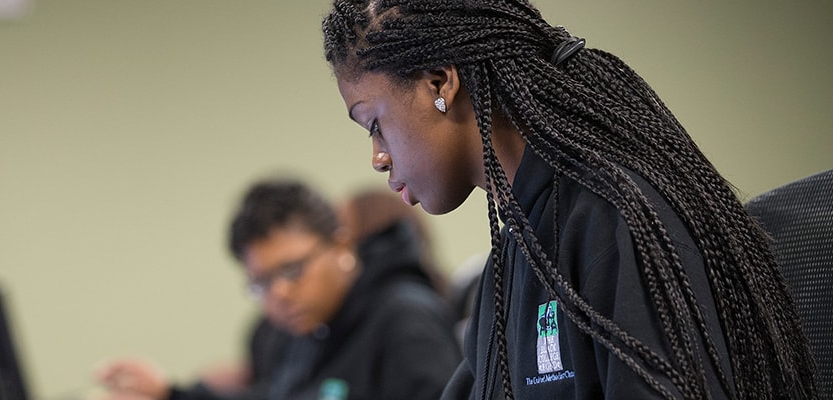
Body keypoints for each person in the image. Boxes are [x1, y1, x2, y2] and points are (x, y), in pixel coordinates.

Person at [321, 1, 816, 399]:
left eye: (375, 125)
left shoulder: (613, 221)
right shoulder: (515, 252)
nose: (378, 158)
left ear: (439, 81)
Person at [96, 179, 462, 400]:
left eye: (292, 270)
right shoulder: (298, 331)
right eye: (262, 283)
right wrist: (172, 395)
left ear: (341, 247)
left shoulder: (405, 321)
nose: (280, 294)